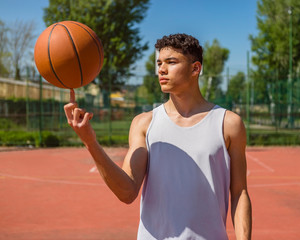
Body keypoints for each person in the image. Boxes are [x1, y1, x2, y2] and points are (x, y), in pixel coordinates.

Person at [64, 33, 252, 240]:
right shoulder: (144, 123)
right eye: (159, 63)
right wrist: (90, 141)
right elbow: (127, 192)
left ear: (195, 68)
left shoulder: (228, 124)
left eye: (171, 62)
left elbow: (239, 193)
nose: (161, 69)